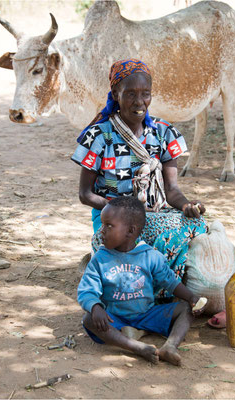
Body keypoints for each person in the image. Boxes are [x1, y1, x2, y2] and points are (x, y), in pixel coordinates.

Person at [72, 58, 207, 299]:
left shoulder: (163, 134)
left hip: (155, 212)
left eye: (146, 94)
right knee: (133, 249)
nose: (139, 102)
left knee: (198, 227)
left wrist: (187, 205)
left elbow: (172, 190)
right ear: (116, 93)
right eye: (130, 93)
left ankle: (157, 292)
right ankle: (160, 295)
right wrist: (120, 211)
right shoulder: (100, 137)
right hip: (112, 218)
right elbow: (85, 194)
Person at [78, 197, 206, 366]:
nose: (102, 230)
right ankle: (136, 347)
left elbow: (170, 281)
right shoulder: (100, 259)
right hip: (115, 318)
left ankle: (170, 346)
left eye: (109, 225)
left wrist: (191, 298)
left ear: (130, 231)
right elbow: (87, 290)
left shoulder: (150, 256)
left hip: (147, 314)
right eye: (102, 224)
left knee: (185, 309)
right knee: (88, 319)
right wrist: (95, 307)